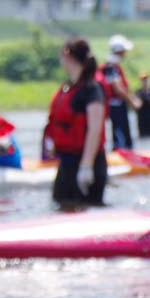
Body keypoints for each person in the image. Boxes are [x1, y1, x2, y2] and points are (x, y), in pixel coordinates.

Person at [44, 37, 107, 206]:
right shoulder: (68, 88)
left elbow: (95, 129)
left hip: (87, 164)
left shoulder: (92, 90)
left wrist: (86, 166)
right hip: (68, 162)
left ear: (67, 54)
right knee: (61, 205)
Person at [96, 34, 139, 151]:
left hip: (118, 105)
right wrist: (133, 101)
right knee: (120, 136)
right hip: (116, 106)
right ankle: (121, 152)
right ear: (120, 51)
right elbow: (117, 89)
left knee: (122, 134)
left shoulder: (112, 66)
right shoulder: (111, 67)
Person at [134, 71, 150, 143]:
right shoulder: (138, 92)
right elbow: (136, 105)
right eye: (143, 80)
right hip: (141, 122)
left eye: (145, 79)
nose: (144, 81)